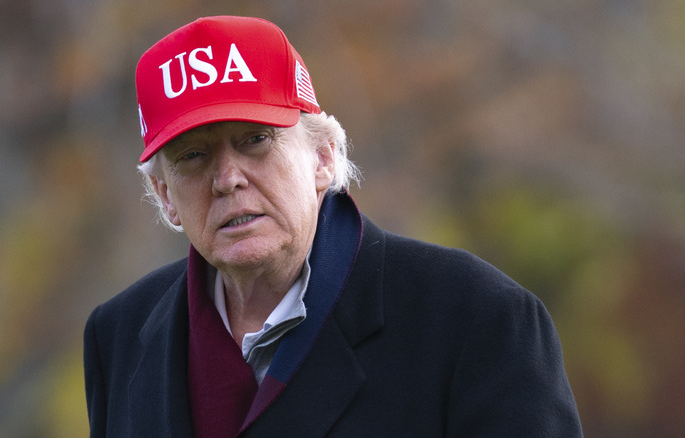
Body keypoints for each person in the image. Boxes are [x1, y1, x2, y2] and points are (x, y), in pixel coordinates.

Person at [83, 15, 583, 438]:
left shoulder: (477, 318)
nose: (227, 178)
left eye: (255, 139)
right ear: (165, 195)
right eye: (193, 155)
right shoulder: (119, 337)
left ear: (323, 156)